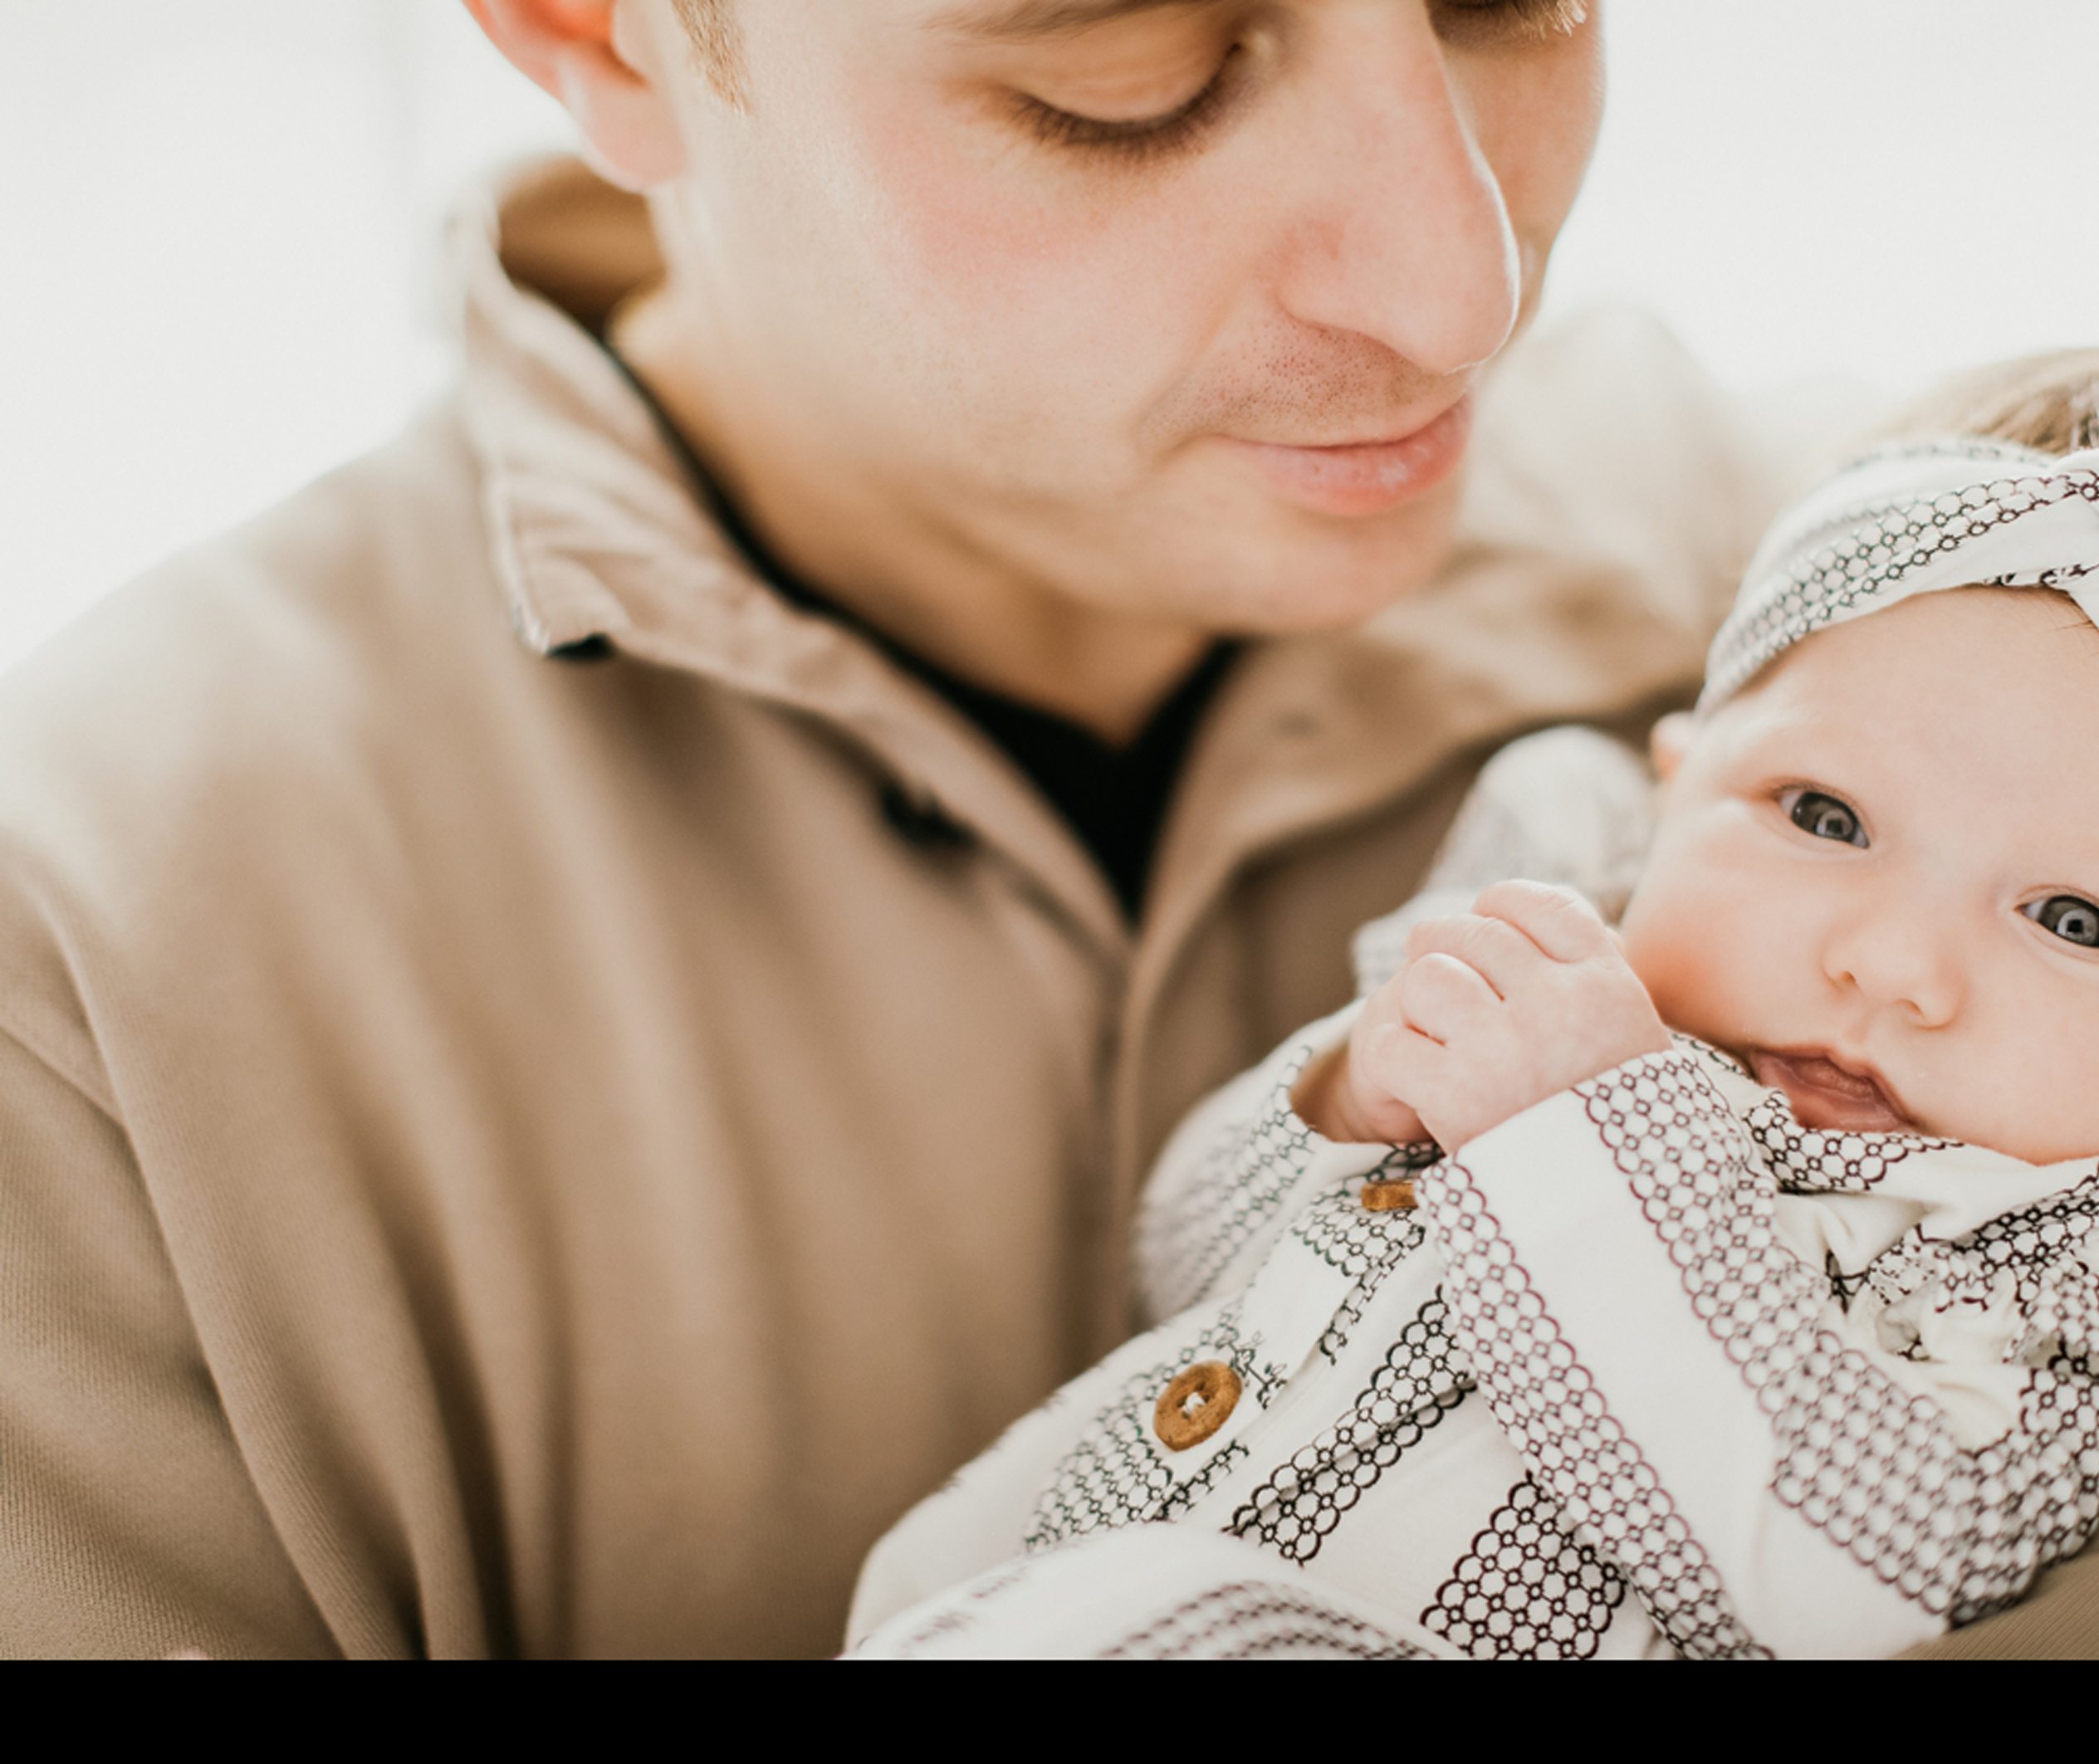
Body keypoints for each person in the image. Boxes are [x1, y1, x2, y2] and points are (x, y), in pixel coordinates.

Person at [0, 0, 1764, 1656]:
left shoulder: (1874, 589)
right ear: (596, 28)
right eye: (1127, 76)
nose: (1464, 292)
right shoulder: (84, 974)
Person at [841, 353, 2099, 1658]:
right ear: (1675, 793)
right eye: (1823, 818)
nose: (1890, 964)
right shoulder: (1556, 960)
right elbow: (1178, 1263)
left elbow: (1852, 1582)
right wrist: (1349, 1093)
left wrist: (1593, 1134)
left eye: (2077, 918)